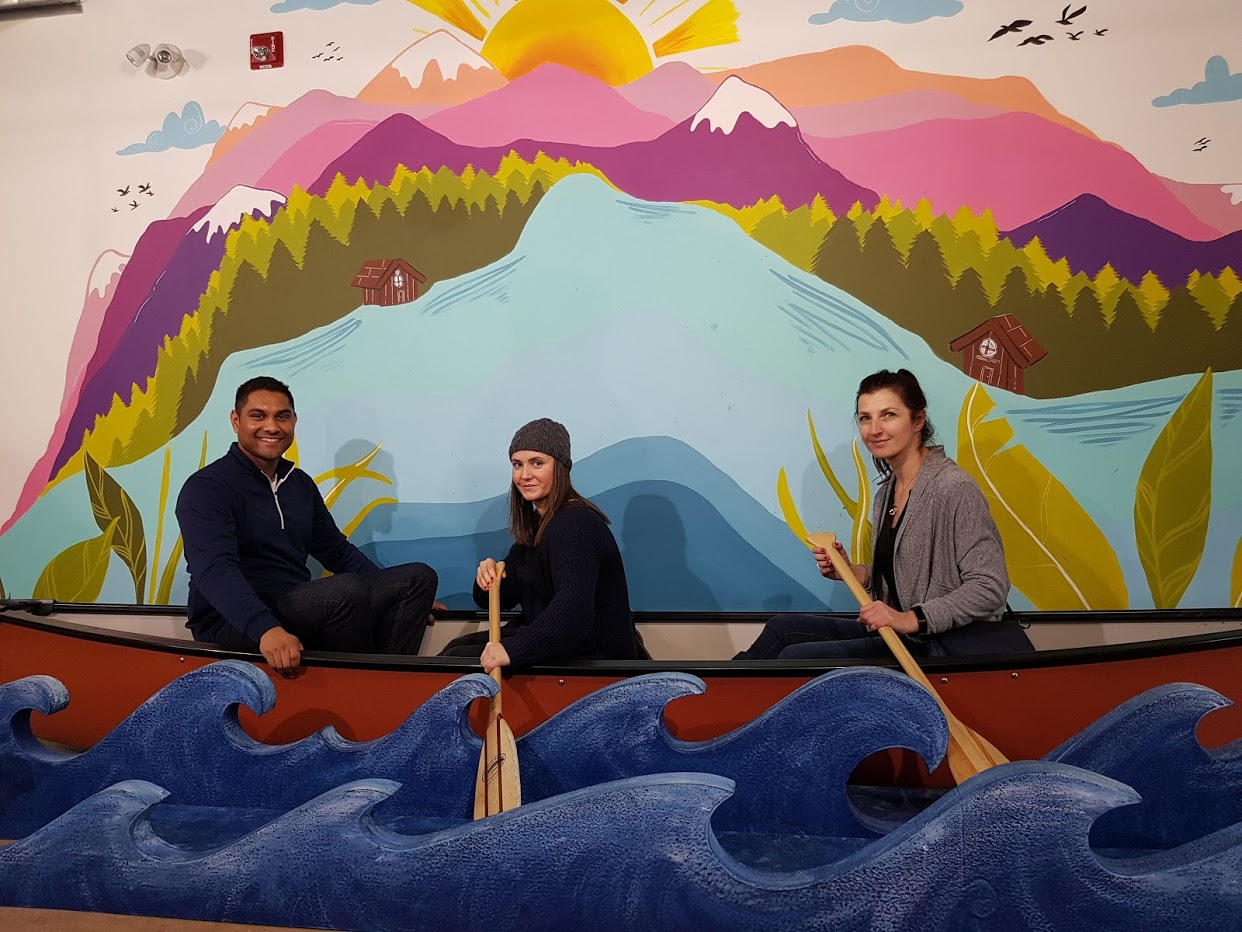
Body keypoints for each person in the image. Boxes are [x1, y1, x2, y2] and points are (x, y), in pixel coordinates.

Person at [736, 368, 1027, 660]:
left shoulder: (953, 487)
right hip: (899, 635)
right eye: (865, 418)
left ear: (918, 420)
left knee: (798, 658)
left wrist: (912, 618)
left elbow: (990, 586)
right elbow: (900, 578)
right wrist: (851, 572)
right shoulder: (887, 493)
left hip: (937, 643)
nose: (874, 429)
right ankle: (721, 687)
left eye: (888, 415)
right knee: (782, 629)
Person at [176, 376, 440, 675]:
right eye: (258, 416)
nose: (272, 427)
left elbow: (336, 551)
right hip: (230, 622)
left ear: (294, 421)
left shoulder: (299, 484)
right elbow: (214, 570)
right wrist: (265, 629)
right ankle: (359, 685)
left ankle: (386, 681)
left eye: (282, 417)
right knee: (345, 590)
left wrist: (396, 594)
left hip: (294, 603)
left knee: (418, 578)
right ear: (236, 421)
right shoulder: (207, 487)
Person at [440, 418, 641, 673]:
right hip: (560, 645)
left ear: (560, 468)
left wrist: (516, 649)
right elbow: (502, 598)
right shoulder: (539, 524)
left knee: (455, 659)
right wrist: (489, 580)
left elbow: (574, 608)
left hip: (590, 660)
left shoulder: (574, 523)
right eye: (517, 464)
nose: (524, 475)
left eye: (537, 463)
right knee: (456, 648)